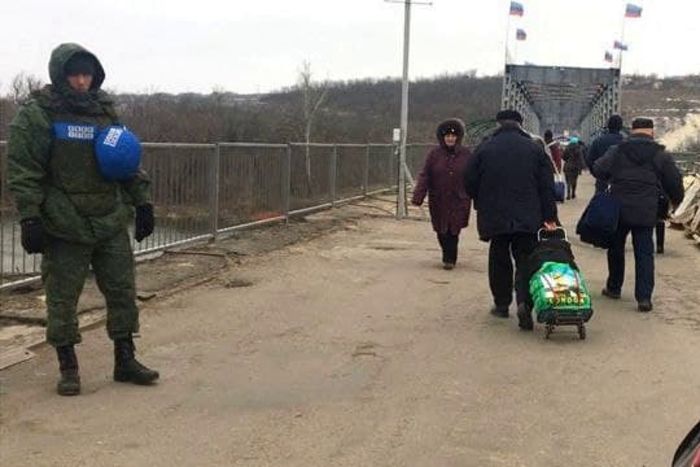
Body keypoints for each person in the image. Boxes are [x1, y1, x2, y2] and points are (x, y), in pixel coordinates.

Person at [7, 43, 159, 396]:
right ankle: (68, 366)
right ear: (60, 74)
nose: (80, 81)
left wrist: (143, 203)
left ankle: (125, 360)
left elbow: (125, 159)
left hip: (108, 218)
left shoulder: (104, 112)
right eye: (74, 74)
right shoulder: (39, 114)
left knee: (122, 290)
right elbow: (23, 170)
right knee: (62, 297)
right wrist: (30, 216)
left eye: (86, 74)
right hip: (64, 221)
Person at [464, 109, 558, 330]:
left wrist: (481, 199)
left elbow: (468, 179)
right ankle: (525, 301)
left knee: (499, 258)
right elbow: (547, 186)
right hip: (528, 214)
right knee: (526, 260)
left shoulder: (485, 147)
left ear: (498, 124)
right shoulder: (534, 149)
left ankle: (501, 304)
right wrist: (550, 216)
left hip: (495, 214)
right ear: (520, 124)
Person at [594, 117, 684, 312]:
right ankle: (644, 298)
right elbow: (674, 181)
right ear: (651, 131)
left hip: (619, 208)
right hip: (646, 209)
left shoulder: (618, 151)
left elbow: (598, 168)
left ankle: (614, 287)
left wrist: (611, 180)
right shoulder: (661, 154)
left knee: (616, 248)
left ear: (632, 131)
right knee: (644, 253)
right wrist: (676, 202)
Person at [412, 119, 472, 270]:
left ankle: (450, 258)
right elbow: (425, 175)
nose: (450, 139)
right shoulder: (434, 155)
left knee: (454, 229)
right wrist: (418, 195)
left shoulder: (466, 154)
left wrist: (479, 196)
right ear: (442, 137)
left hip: (459, 198)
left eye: (453, 136)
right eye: (447, 136)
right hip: (439, 198)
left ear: (458, 137)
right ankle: (446, 252)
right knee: (441, 229)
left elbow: (474, 176)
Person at [586, 114, 625, 193]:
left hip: (602, 180)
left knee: (601, 202)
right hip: (621, 183)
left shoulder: (598, 141)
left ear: (608, 126)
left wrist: (596, 174)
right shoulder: (626, 142)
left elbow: (589, 160)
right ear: (621, 127)